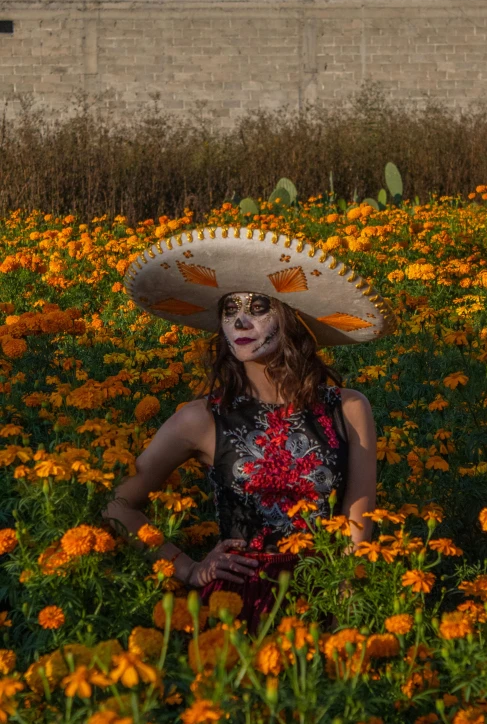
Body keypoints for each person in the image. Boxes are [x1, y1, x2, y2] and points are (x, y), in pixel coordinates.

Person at [102, 226, 396, 631]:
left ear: (291, 319)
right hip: (234, 603)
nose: (240, 319)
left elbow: (357, 526)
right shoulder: (200, 418)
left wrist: (345, 610)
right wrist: (187, 568)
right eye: (229, 310)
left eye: (259, 307)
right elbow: (117, 504)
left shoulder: (348, 408)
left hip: (321, 599)